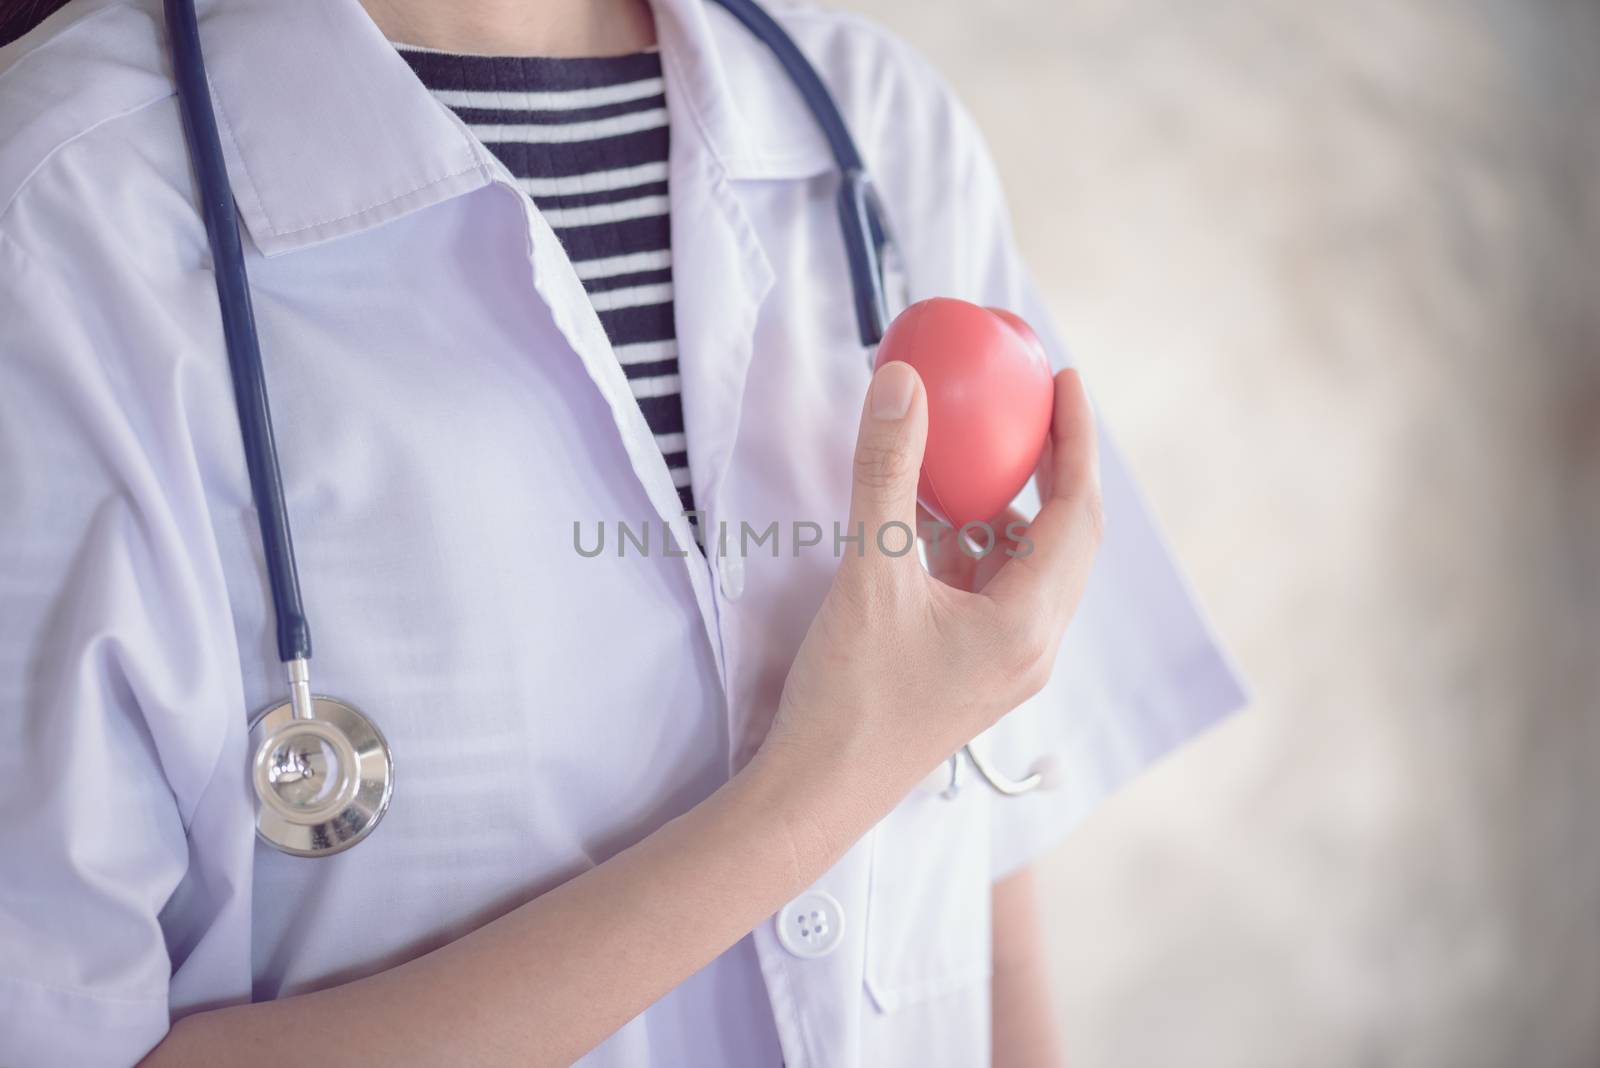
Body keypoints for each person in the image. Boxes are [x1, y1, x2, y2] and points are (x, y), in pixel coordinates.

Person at [0, 0, 1246, 1065]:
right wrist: (831, 780)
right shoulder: (58, 219)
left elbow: (980, 887)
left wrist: (903, 744)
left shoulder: (871, 114)